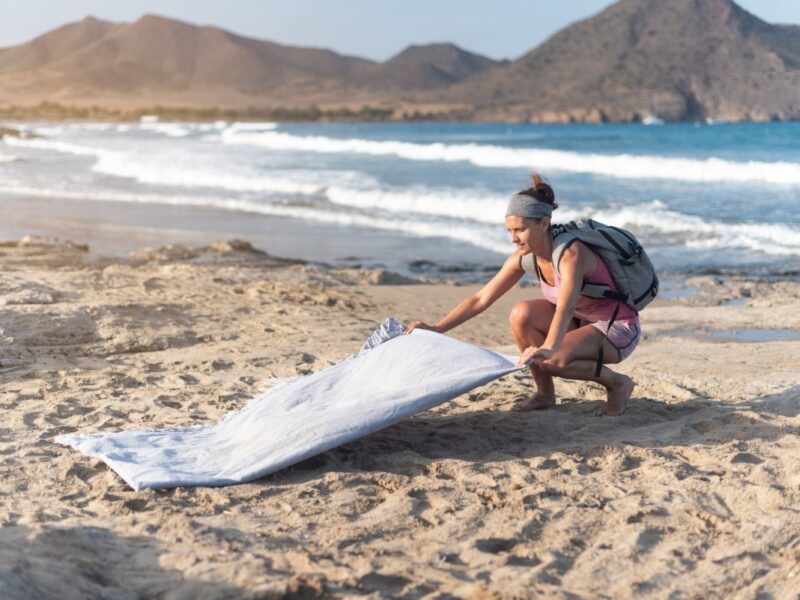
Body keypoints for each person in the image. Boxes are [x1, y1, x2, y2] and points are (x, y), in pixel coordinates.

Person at [403, 174, 639, 416]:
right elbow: (481, 298)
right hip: (578, 321)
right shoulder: (525, 257)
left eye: (520, 230)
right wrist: (437, 328)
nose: (513, 238)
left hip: (615, 328)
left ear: (544, 223)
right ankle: (544, 394)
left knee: (552, 359)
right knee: (521, 313)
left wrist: (548, 347)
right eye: (509, 230)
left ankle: (618, 383)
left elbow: (565, 308)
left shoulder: (571, 254)